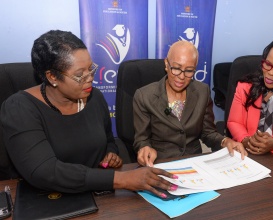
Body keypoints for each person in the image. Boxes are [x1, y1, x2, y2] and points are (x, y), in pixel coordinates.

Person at [0, 30, 177, 198]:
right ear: (52, 77)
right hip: (46, 199)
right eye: (79, 75)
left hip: (98, 194)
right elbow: (46, 172)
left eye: (90, 69)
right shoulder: (19, 108)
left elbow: (108, 140)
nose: (90, 78)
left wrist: (110, 153)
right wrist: (122, 179)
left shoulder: (94, 96)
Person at [133, 41, 247, 167]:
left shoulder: (202, 91)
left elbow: (208, 133)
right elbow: (142, 139)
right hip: (160, 163)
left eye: (189, 71)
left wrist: (226, 141)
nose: (181, 77)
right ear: (166, 64)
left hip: (195, 162)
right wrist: (145, 148)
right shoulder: (145, 96)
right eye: (176, 68)